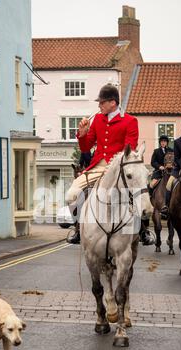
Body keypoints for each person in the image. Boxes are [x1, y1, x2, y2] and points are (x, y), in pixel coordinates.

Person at [66, 83, 154, 245]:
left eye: (102, 102)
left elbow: (130, 149)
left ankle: (142, 230)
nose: (99, 106)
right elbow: (86, 147)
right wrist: (82, 134)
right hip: (98, 167)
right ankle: (79, 228)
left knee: (134, 192)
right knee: (71, 194)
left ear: (112, 103)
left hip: (119, 168)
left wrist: (115, 167)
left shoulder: (130, 121)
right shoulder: (98, 119)